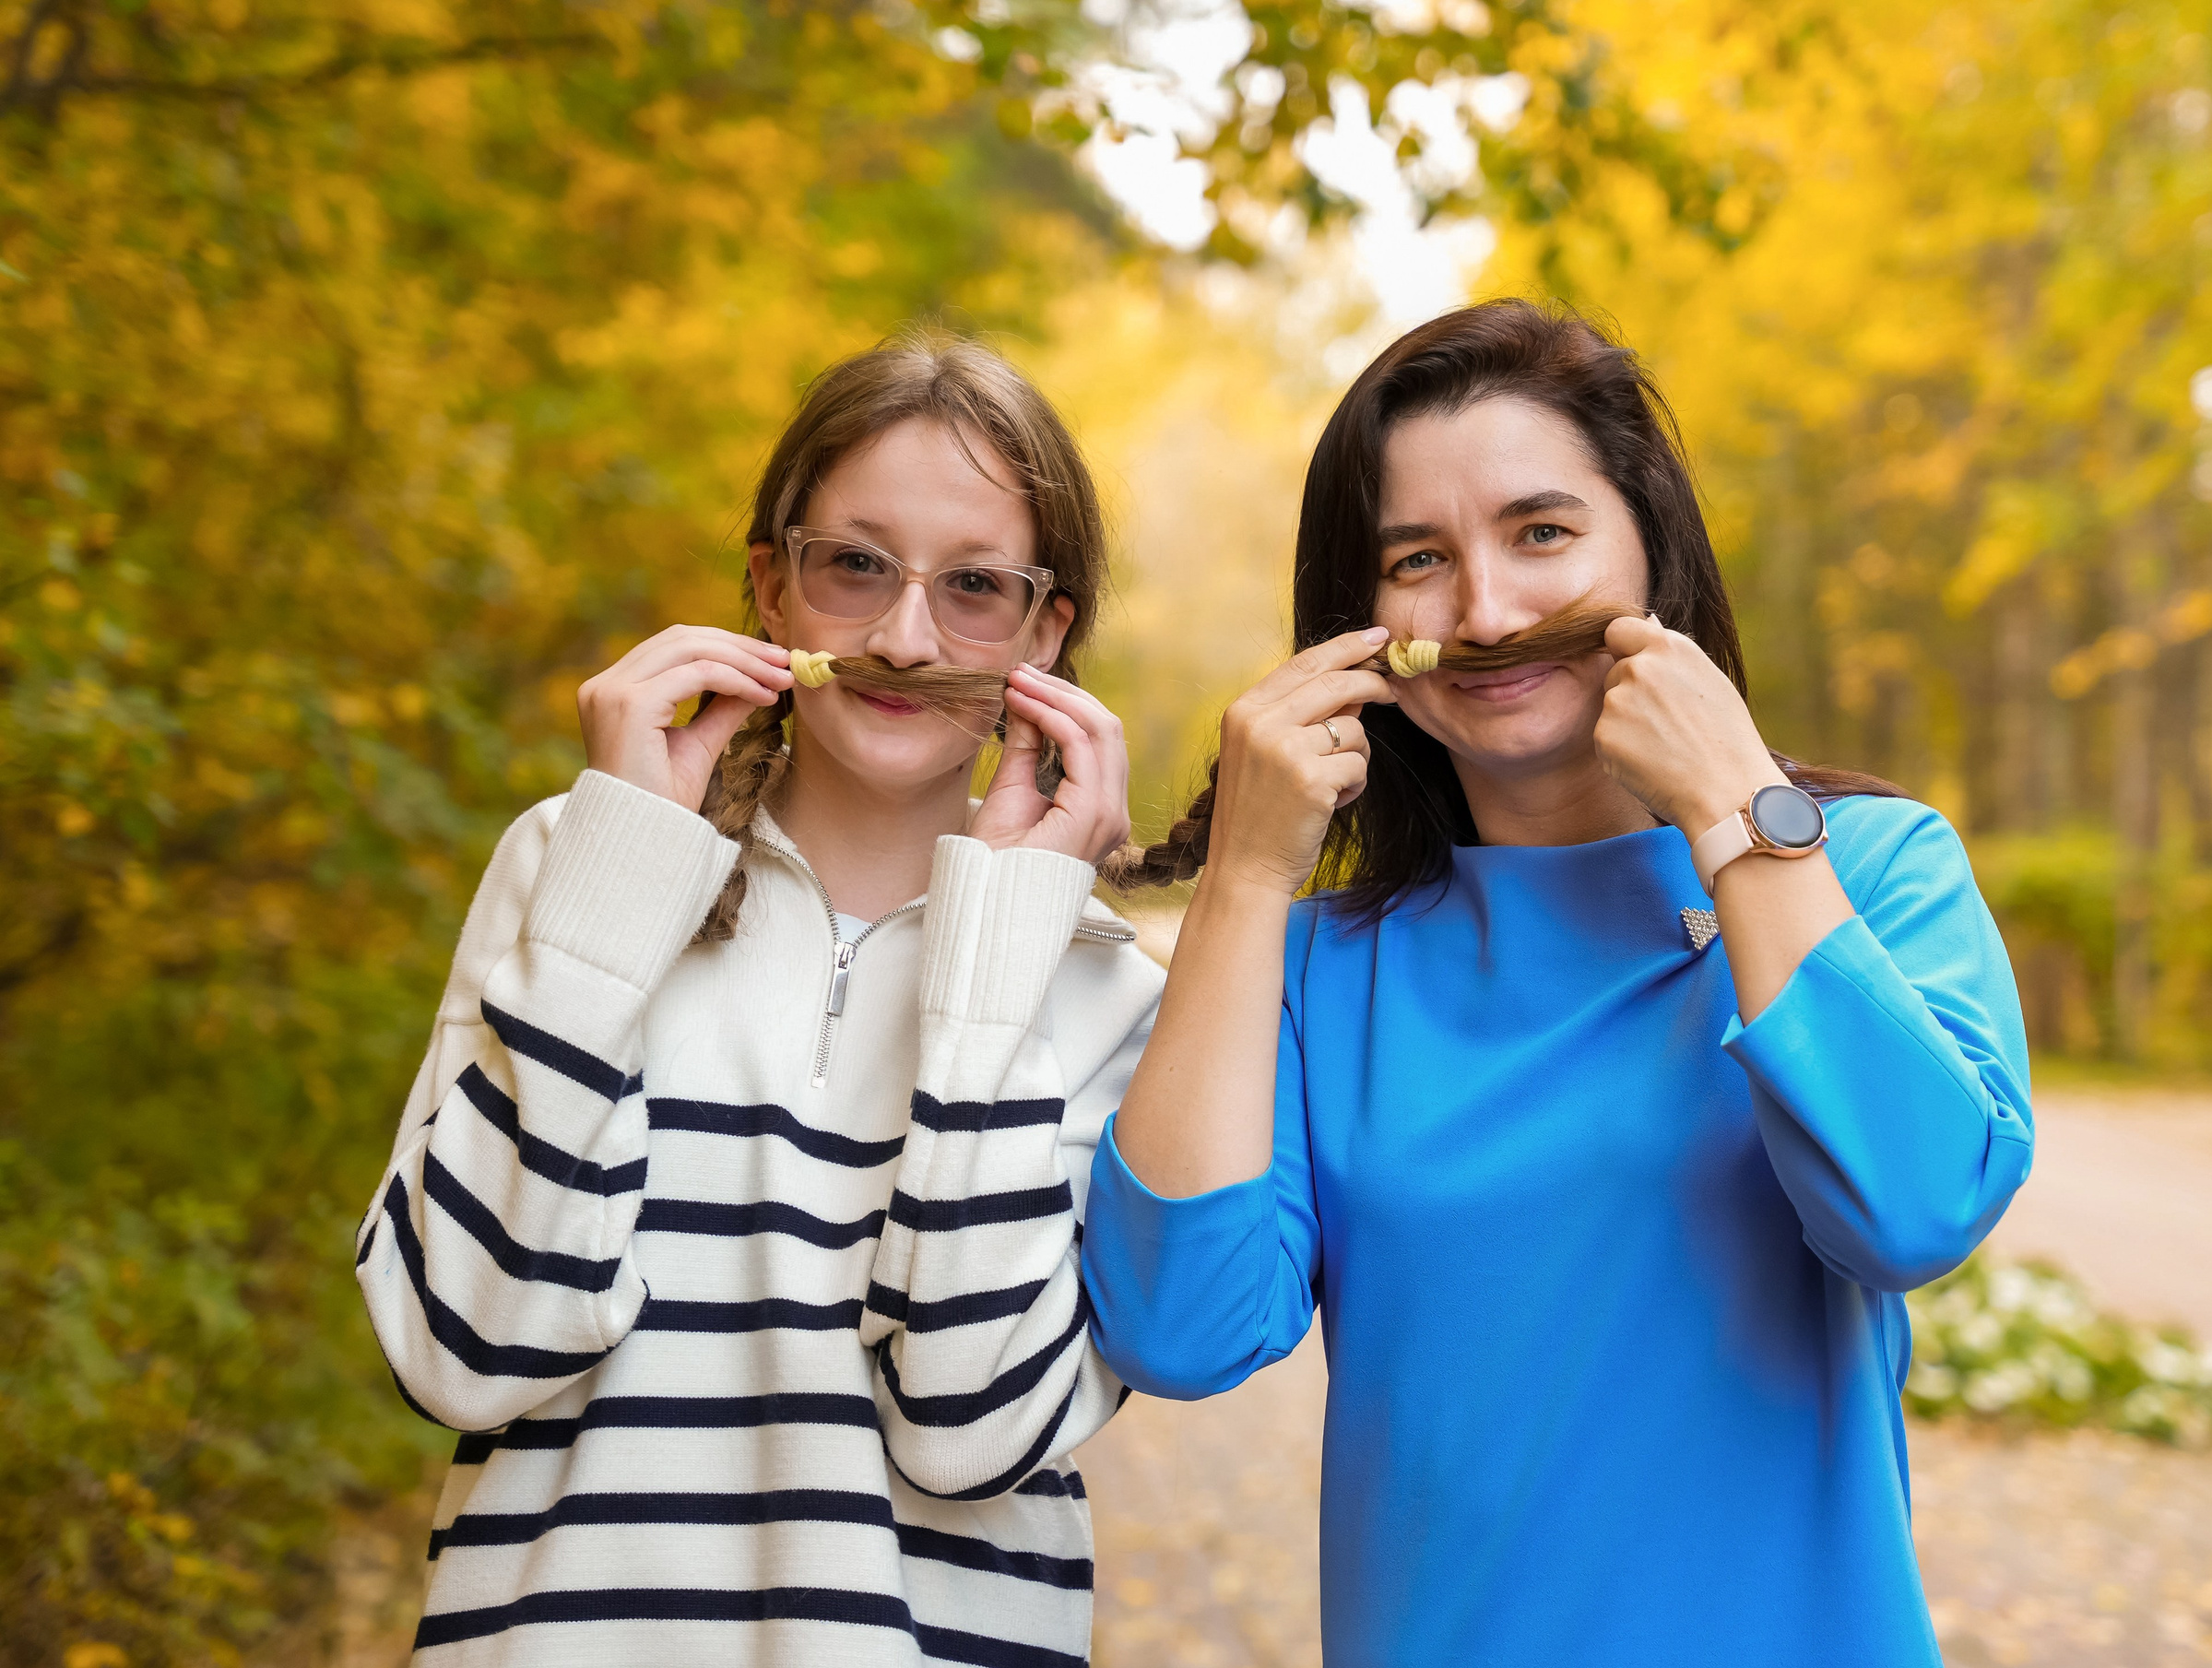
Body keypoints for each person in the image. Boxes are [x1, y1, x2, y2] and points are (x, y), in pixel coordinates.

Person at [1082, 299, 2032, 1666]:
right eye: (1419, 558)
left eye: (1542, 532)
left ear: (1650, 550)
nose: (1487, 609)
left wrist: (1730, 804)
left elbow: (1918, 1208)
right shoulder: (1318, 966)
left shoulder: (1869, 869)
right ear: (1363, 623)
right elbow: (1180, 1328)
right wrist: (1242, 879)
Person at [356, 331, 1161, 1664]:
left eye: (974, 587)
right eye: (855, 564)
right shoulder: (572, 861)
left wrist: (997, 962)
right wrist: (623, 874)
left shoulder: (1108, 984)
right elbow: (463, 1347)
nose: (905, 637)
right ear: (769, 585)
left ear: (1045, 630)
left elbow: (971, 1434)